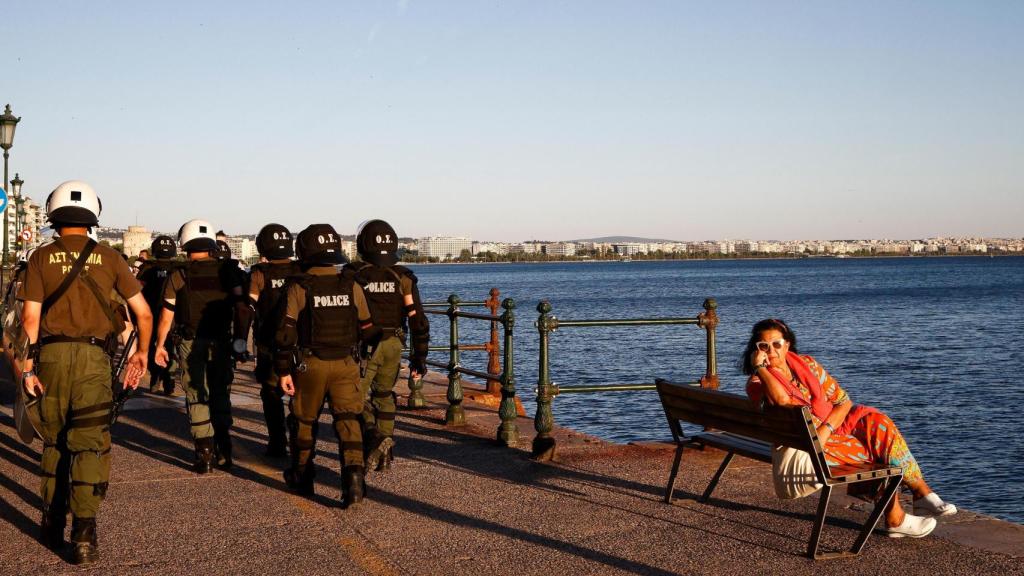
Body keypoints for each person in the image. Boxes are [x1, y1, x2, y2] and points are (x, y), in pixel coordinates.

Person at [18, 180, 152, 563]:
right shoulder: (111, 259)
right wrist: (140, 353)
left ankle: (52, 522)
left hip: (52, 359)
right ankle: (84, 534)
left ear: (52, 215)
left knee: (55, 440)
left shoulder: (41, 258)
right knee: (89, 442)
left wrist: (28, 368)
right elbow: (142, 313)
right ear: (94, 213)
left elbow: (30, 318)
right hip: (95, 362)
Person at [742, 318, 956, 539]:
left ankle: (919, 494)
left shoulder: (808, 365)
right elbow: (782, 400)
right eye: (763, 346)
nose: (771, 351)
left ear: (787, 344)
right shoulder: (758, 384)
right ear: (756, 351)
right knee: (879, 451)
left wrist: (826, 428)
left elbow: (843, 401)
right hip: (805, 451)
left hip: (827, 433)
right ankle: (899, 515)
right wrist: (760, 368)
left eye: (776, 344)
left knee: (877, 422)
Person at [275, 223, 381, 508]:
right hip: (346, 363)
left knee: (304, 422)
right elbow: (369, 328)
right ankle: (354, 480)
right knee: (349, 421)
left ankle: (303, 476)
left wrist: (284, 369)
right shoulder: (351, 284)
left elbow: (285, 333)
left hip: (311, 364)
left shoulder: (299, 286)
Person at [154, 220, 249, 472]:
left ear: (184, 243)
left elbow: (167, 315)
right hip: (222, 341)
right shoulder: (229, 271)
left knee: (197, 396)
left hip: (190, 341)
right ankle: (224, 450)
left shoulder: (179, 274)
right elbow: (242, 308)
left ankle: (204, 454)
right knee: (220, 392)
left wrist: (159, 345)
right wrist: (240, 339)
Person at [351, 219, 429, 470]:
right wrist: (420, 357)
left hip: (363, 346)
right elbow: (417, 318)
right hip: (394, 342)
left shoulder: (354, 274)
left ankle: (374, 436)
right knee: (384, 396)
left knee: (356, 398)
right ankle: (386, 452)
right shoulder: (403, 276)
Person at [244, 223, 301, 456]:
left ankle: (277, 442)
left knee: (270, 394)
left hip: (269, 343)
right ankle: (299, 438)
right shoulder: (301, 271)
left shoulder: (259, 273)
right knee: (299, 393)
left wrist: (239, 339)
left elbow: (249, 307)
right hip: (298, 343)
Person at [137, 236, 181, 395]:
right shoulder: (178, 269)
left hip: (150, 315)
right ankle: (169, 377)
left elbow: (137, 292)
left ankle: (156, 376)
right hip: (172, 316)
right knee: (170, 347)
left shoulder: (147, 269)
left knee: (150, 346)